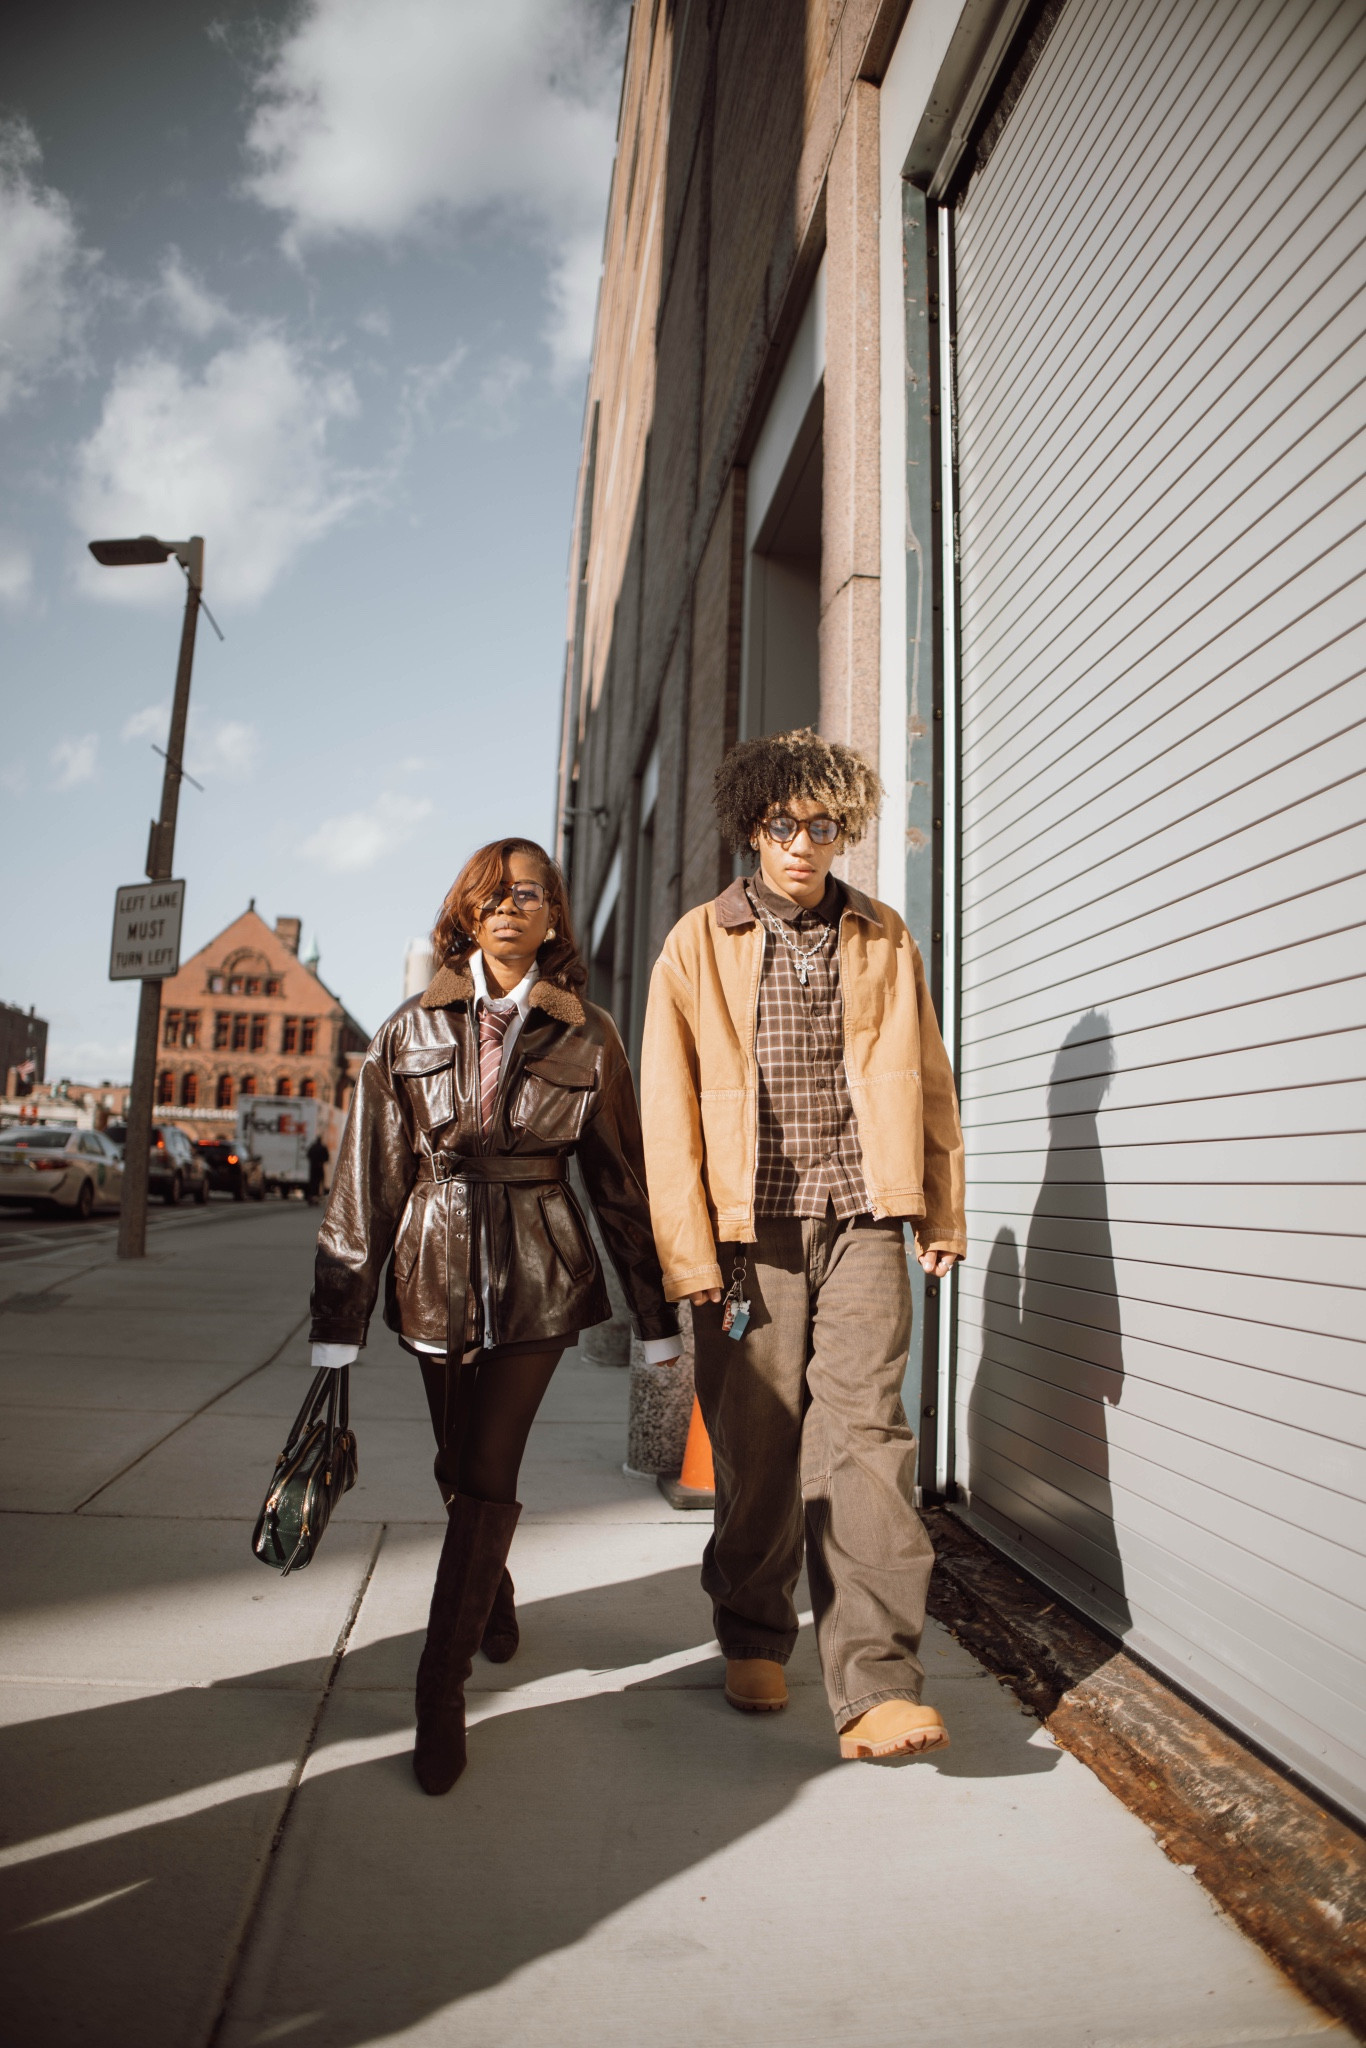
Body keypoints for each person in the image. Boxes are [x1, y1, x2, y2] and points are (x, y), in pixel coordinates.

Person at [309, 838, 680, 1794]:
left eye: (530, 894)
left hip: (541, 1274)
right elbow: (366, 1179)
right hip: (430, 1268)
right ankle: (492, 1590)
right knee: (453, 1459)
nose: (511, 907)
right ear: (467, 914)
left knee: (486, 1465)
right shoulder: (407, 1029)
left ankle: (440, 1684)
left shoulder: (589, 1034)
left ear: (554, 916)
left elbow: (621, 1181)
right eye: (494, 894)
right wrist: (339, 1316)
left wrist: (655, 1314)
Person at [641, 729, 966, 1761]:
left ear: (843, 831)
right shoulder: (698, 941)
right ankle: (751, 1625)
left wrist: (941, 1208)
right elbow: (666, 1113)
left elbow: (927, 1078)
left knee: (867, 1438)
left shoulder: (882, 934)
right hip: (751, 1235)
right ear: (754, 825)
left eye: (823, 826)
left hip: (864, 1215)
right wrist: (689, 1255)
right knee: (758, 1446)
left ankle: (876, 1685)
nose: (802, 844)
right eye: (784, 824)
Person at [305, 1133, 329, 1205]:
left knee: (312, 1182)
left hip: (313, 1168)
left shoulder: (312, 1147)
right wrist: (321, 1161)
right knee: (318, 1183)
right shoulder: (323, 1148)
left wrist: (313, 1161)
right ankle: (316, 1197)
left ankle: (311, 1196)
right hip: (319, 1167)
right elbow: (327, 1158)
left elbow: (308, 1155)